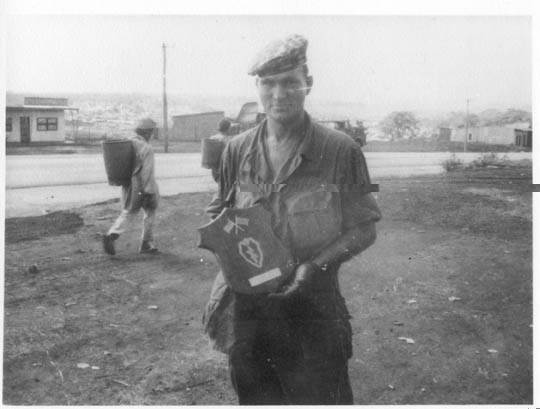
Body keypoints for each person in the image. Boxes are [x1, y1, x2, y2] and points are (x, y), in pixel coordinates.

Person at [202, 34, 381, 404]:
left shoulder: (339, 150)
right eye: (268, 83)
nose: (278, 93)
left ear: (308, 84)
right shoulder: (236, 150)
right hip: (247, 312)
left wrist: (315, 267)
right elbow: (221, 210)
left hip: (313, 307)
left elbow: (364, 226)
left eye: (289, 82)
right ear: (257, 87)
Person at [102, 118, 160, 255]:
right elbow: (147, 172)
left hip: (128, 184)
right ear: (147, 132)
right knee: (150, 211)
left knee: (129, 211)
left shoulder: (128, 142)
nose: (152, 135)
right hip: (142, 185)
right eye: (151, 132)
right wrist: (149, 191)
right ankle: (146, 243)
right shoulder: (146, 148)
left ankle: (112, 233)